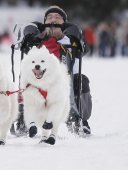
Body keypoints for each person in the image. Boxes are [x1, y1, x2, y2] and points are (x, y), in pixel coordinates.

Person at [15, 5, 92, 135]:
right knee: (23, 79)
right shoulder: (35, 40)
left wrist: (74, 39)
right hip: (37, 81)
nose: (53, 20)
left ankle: (80, 120)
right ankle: (23, 119)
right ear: (44, 23)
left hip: (65, 82)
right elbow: (24, 40)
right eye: (49, 17)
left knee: (82, 80)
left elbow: (85, 48)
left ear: (64, 23)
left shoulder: (70, 40)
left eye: (57, 17)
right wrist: (33, 37)